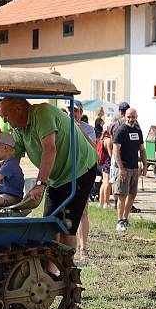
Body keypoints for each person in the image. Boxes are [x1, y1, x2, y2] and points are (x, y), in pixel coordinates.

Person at [0, 97, 98, 248]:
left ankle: (68, 269)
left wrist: (40, 184)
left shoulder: (42, 114)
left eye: (6, 115)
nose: (5, 120)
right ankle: (49, 270)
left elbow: (50, 149)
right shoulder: (20, 129)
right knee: (49, 227)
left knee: (67, 228)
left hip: (79, 171)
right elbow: (14, 157)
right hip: (56, 177)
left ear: (19, 109)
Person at [112, 107, 147, 232]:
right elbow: (115, 150)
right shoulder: (121, 130)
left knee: (132, 194)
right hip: (124, 167)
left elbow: (142, 149)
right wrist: (120, 167)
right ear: (125, 117)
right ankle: (119, 220)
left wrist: (145, 165)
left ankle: (126, 219)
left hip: (134, 167)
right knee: (122, 195)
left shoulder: (138, 131)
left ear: (136, 117)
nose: (131, 119)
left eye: (133, 117)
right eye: (129, 117)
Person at [70, 101, 97, 258]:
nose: (73, 114)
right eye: (71, 111)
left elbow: (93, 146)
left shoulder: (89, 129)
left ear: (81, 112)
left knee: (82, 212)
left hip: (83, 173)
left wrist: (79, 129)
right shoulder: (62, 126)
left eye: (76, 111)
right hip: (66, 174)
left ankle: (83, 248)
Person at [98, 125, 113, 208]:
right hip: (108, 163)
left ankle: (101, 202)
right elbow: (111, 154)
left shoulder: (102, 139)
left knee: (104, 183)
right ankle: (106, 203)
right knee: (108, 183)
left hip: (104, 163)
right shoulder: (109, 140)